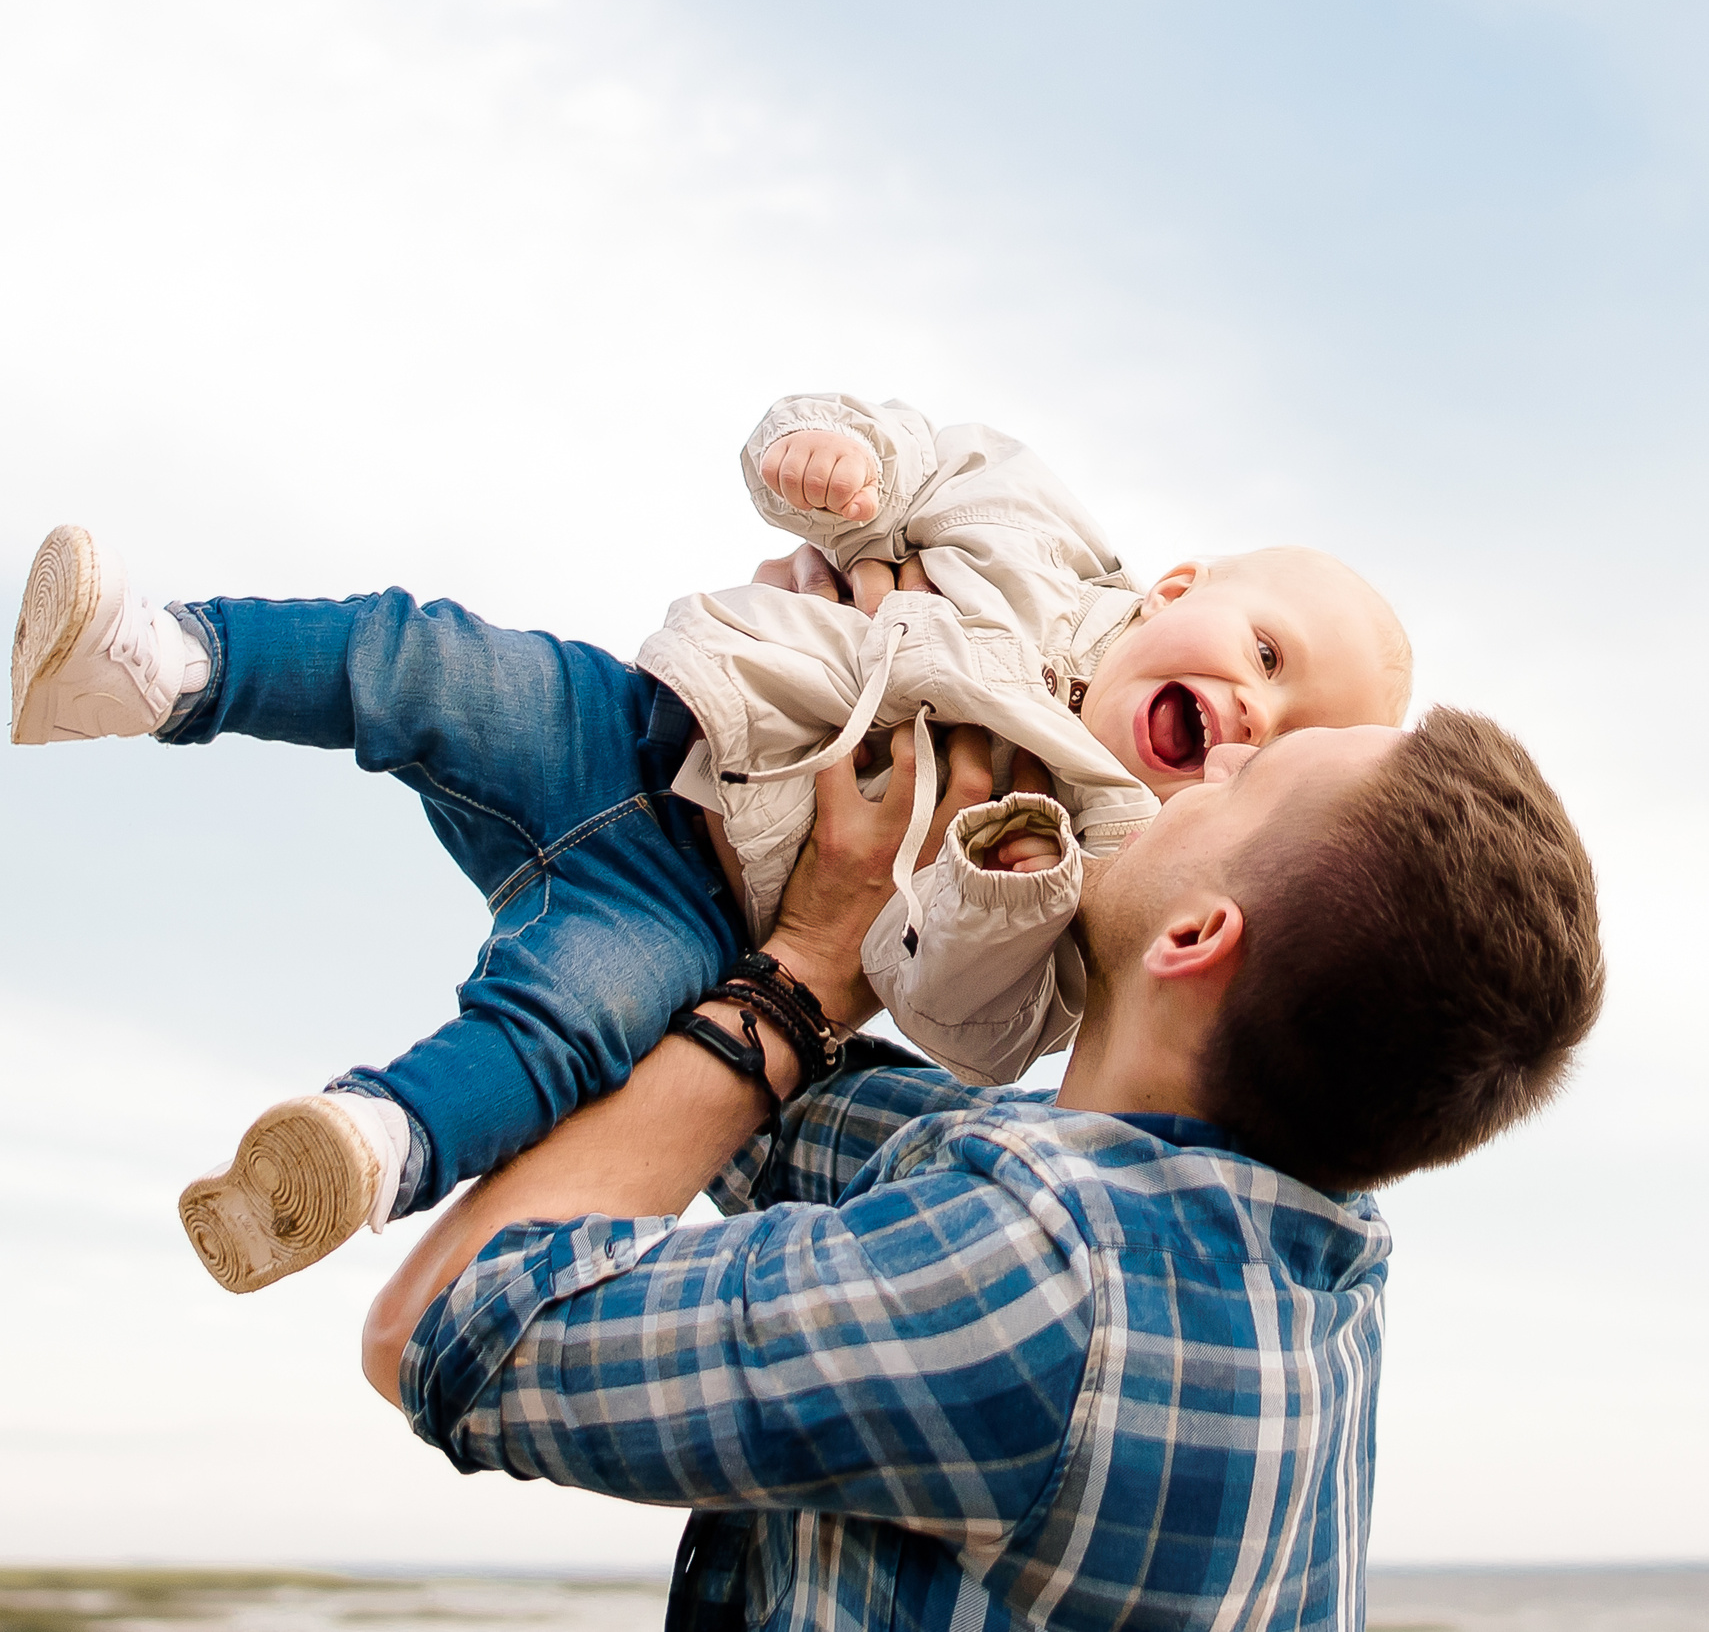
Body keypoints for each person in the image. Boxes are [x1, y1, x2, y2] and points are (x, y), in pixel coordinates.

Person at [8, 393, 1410, 1294]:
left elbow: (974, 1027)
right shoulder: (1033, 534)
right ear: (1175, 586)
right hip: (645, 723)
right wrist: (831, 464)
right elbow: (903, 459)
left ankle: (369, 1146)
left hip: (699, 916)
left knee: (562, 1029)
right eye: (1264, 652)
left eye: (1281, 740)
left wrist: (1001, 886)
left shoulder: (1095, 866)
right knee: (416, 655)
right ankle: (158, 666)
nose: (1248, 714)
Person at [360, 693, 1603, 1632]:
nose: (1216, 760)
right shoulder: (1303, 1244)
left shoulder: (1049, 1278)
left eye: (1250, 779)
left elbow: (444, 1325)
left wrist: (808, 972)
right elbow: (765, 1101)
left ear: (1194, 935)